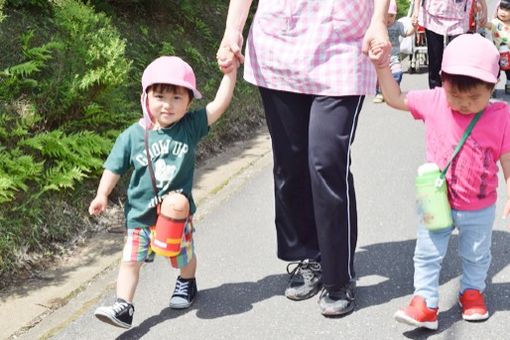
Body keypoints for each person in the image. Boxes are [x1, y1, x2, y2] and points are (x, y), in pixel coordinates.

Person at [217, 0, 391, 317]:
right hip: (279, 46)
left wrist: (379, 19)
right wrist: (232, 31)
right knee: (291, 163)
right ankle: (311, 257)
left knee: (327, 161)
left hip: (343, 44)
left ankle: (339, 276)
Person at [369, 33, 510, 330]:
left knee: (476, 253)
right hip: (436, 198)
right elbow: (395, 98)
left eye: (475, 97)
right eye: (455, 95)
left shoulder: (501, 116)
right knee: (427, 253)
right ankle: (425, 302)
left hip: (480, 204)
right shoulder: (434, 101)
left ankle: (472, 292)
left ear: (492, 86)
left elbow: (507, 158)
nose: (464, 104)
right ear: (443, 81)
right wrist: (382, 66)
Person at [88, 55, 238, 328]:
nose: (167, 105)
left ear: (189, 102)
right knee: (130, 260)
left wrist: (230, 75)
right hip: (139, 215)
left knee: (182, 256)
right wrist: (102, 194)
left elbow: (218, 106)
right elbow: (114, 167)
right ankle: (123, 306)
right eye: (159, 96)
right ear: (146, 97)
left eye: (177, 98)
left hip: (175, 216)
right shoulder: (133, 136)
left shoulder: (189, 127)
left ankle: (186, 282)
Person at [412, 0, 488, 89]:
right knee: (435, 60)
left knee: (458, 61)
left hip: (459, 14)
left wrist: (484, 8)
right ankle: (435, 92)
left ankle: (456, 92)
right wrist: (416, 10)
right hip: (433, 13)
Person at [374, 0, 417, 103]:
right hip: (381, 55)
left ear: (395, 15)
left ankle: (392, 92)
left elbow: (407, 33)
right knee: (379, 75)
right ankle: (379, 93)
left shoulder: (398, 25)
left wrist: (414, 27)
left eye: (392, 16)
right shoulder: (378, 25)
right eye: (386, 15)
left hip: (394, 56)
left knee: (398, 73)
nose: (389, 19)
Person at [485, 0, 510, 95]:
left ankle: (509, 85)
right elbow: (488, 25)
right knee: (495, 71)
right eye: (501, 8)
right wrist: (481, 21)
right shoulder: (496, 23)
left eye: (507, 10)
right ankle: (493, 88)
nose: (503, 12)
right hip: (497, 54)